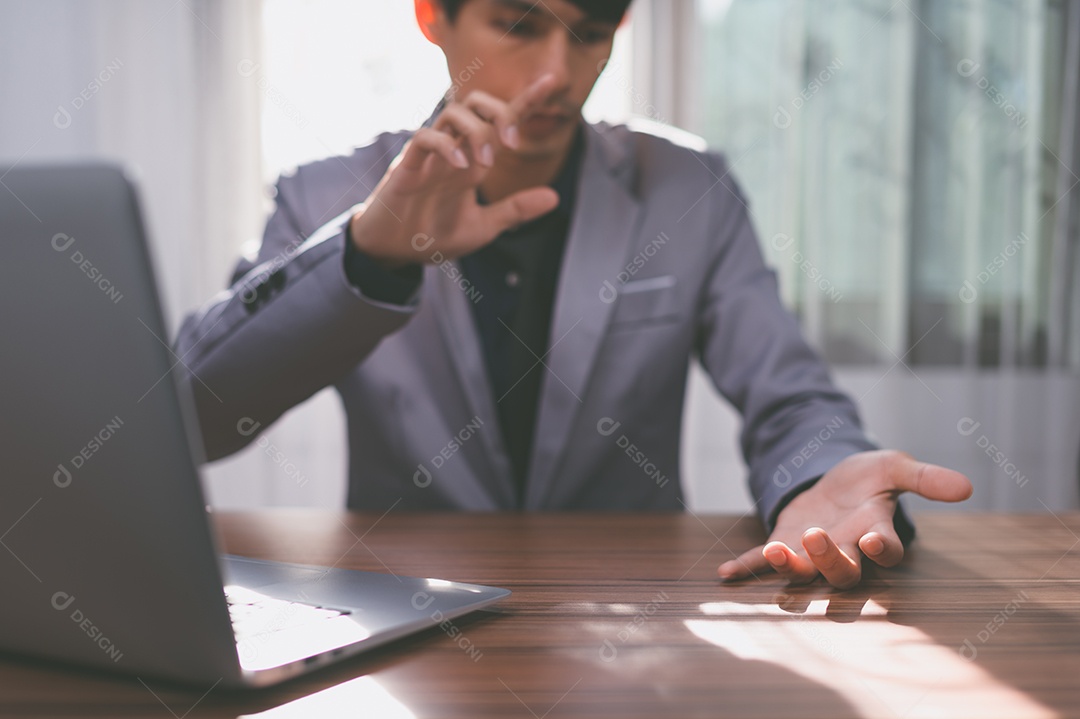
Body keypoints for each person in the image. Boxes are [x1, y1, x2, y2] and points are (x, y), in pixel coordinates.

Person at [175, 0, 972, 590]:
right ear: (432, 16)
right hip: (398, 618)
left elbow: (790, 395)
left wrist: (816, 479)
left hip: (631, 624)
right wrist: (369, 254)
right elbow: (194, 415)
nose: (559, 73)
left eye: (589, 28)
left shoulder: (687, 190)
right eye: (518, 23)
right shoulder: (325, 199)